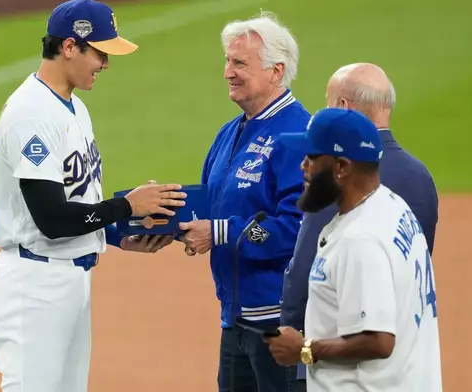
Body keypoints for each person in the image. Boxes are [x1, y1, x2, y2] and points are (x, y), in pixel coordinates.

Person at [0, 1, 187, 391]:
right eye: (100, 52)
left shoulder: (74, 107)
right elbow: (52, 219)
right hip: (34, 286)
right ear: (69, 46)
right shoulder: (32, 115)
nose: (105, 62)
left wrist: (119, 234)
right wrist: (127, 205)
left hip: (67, 281)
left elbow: (79, 204)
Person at [279, 62, 439, 391]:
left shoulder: (358, 238)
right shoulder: (395, 209)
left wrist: (303, 349)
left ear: (341, 167)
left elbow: (378, 341)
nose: (303, 166)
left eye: (312, 158)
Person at [179, 11, 309, 392]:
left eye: (239, 63)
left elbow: (298, 228)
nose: (227, 72)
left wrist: (217, 232)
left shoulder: (298, 134)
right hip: (234, 318)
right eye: (227, 61)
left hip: (279, 321)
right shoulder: (230, 132)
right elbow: (209, 206)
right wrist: (163, 223)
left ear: (275, 71)